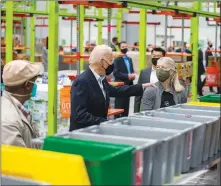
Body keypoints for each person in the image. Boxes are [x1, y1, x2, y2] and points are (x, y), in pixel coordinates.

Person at [70, 45, 152, 131]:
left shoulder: (100, 79)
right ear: (102, 62)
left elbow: (116, 90)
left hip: (95, 131)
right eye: (110, 60)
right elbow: (80, 115)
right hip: (82, 134)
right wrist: (107, 123)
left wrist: (142, 87)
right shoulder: (82, 82)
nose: (112, 63)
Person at [2, 60, 40, 148]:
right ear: (27, 85)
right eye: (34, 82)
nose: (35, 86)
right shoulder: (8, 121)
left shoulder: (20, 110)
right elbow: (18, 159)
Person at [134, 47, 166, 113]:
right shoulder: (144, 72)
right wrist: (136, 112)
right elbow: (138, 94)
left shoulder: (168, 73)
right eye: (154, 56)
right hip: (147, 108)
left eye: (159, 56)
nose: (156, 58)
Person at [113, 41, 136, 117]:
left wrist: (133, 75)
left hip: (128, 85)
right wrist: (127, 76)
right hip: (120, 86)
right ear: (119, 48)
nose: (125, 48)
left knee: (126, 105)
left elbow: (131, 70)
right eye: (123, 47)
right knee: (119, 105)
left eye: (126, 47)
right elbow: (116, 73)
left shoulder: (129, 59)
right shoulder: (117, 60)